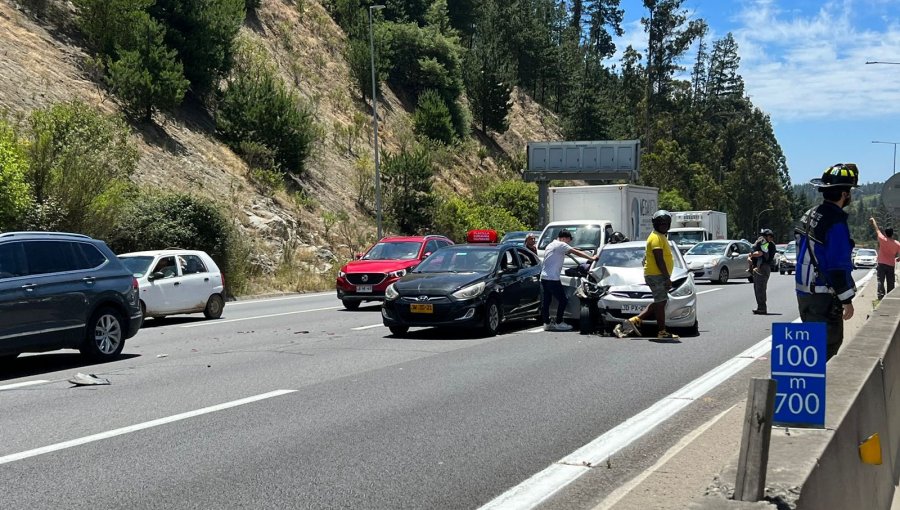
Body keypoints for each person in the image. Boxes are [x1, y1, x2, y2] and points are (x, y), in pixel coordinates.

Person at [795, 163, 859, 361]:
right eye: (849, 192)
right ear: (844, 194)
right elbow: (837, 267)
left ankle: (806, 389)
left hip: (804, 294)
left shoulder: (810, 214)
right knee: (826, 351)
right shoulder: (835, 223)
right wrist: (847, 300)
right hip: (824, 298)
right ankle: (815, 391)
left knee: (811, 350)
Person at [614, 210, 679, 339]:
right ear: (655, 224)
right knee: (661, 302)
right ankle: (661, 331)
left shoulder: (660, 236)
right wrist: (667, 277)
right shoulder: (655, 238)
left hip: (656, 274)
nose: (663, 226)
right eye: (661, 224)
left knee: (660, 301)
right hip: (657, 275)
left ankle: (636, 320)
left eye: (666, 224)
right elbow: (658, 259)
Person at [540, 230, 599, 332]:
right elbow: (576, 252)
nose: (568, 243)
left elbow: (571, 250)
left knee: (547, 301)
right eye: (568, 241)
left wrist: (575, 249)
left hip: (544, 277)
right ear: (564, 238)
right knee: (563, 300)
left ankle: (547, 323)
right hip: (553, 278)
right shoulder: (561, 244)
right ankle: (559, 322)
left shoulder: (551, 245)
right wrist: (591, 258)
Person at [870, 217, 900, 300]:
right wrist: (898, 259)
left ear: (885, 234)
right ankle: (890, 296)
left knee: (880, 281)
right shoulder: (897, 244)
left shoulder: (882, 239)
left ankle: (880, 296)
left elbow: (877, 229)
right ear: (892, 234)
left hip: (881, 264)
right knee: (890, 282)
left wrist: (873, 221)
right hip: (891, 265)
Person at [750, 228, 777, 314]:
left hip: (763, 267)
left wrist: (752, 255)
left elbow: (760, 253)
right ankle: (760, 307)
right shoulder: (762, 243)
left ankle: (762, 308)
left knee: (760, 288)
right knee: (757, 288)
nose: (762, 237)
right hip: (758, 267)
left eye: (765, 236)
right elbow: (753, 251)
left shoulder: (767, 244)